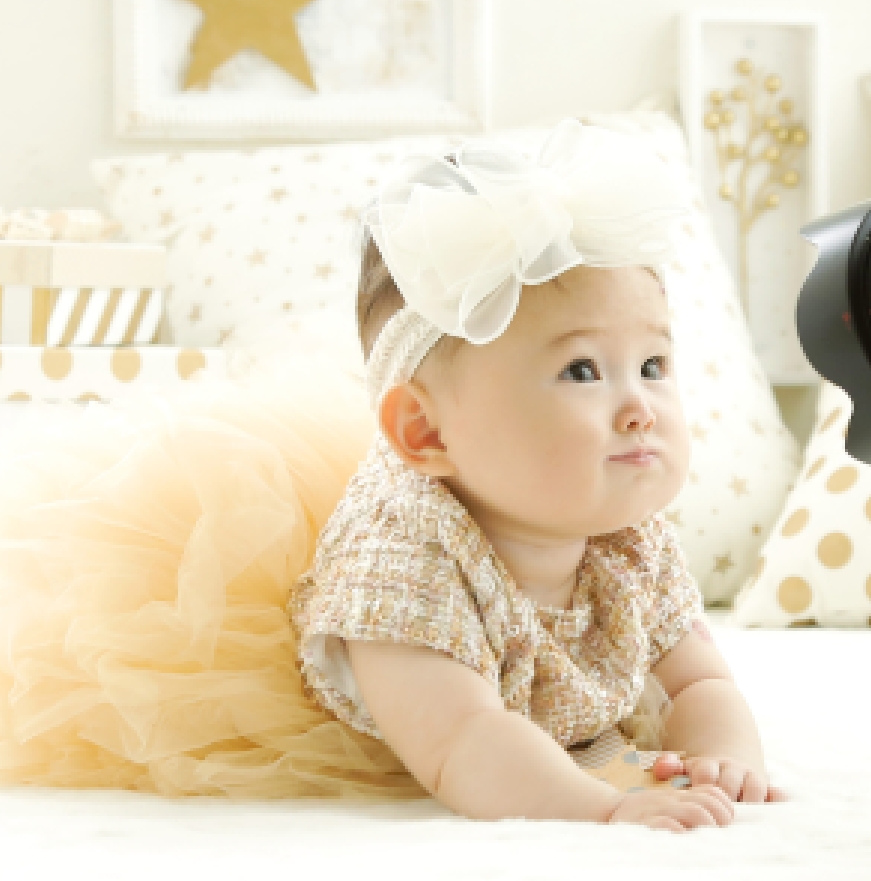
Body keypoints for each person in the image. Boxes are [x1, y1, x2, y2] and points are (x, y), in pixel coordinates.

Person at [288, 122, 783, 829]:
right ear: (426, 433)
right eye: (582, 370)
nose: (640, 408)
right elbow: (462, 743)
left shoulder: (628, 538)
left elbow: (700, 676)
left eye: (652, 366)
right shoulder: (405, 559)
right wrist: (605, 808)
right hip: (424, 725)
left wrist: (726, 755)